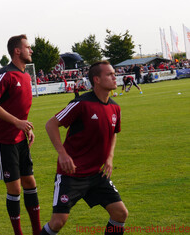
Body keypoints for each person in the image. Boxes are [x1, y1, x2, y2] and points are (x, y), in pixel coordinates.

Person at [40, 61, 128, 235]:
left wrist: (109, 157)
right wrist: (62, 154)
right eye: (109, 74)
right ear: (96, 79)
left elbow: (113, 133)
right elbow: (51, 124)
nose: (114, 77)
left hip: (97, 174)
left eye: (114, 73)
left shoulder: (115, 107)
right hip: (72, 174)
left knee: (120, 213)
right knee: (58, 222)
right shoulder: (81, 104)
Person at [0, 34, 41, 235]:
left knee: (30, 184)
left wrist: (27, 127)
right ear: (17, 51)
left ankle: (37, 231)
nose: (31, 50)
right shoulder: (5, 74)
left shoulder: (26, 75)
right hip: (2, 142)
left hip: (20, 139)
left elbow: (19, 108)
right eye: (28, 47)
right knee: (15, 189)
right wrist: (17, 123)